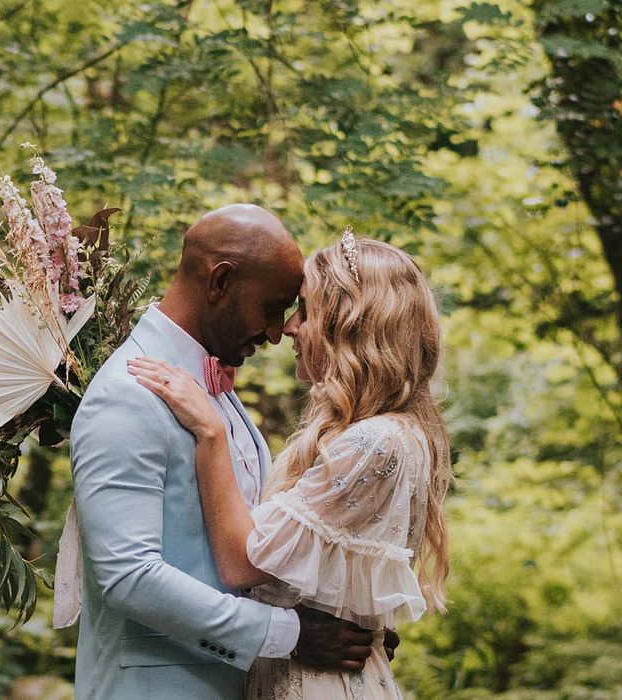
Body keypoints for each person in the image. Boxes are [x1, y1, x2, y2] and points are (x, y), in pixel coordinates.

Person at [58, 206, 386, 699]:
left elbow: (249, 547)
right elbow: (127, 576)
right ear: (220, 282)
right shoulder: (128, 394)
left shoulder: (212, 390)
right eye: (272, 307)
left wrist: (348, 627)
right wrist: (289, 636)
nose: (278, 332)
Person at [128, 230, 452, 698]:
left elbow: (243, 564)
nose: (288, 329)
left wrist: (211, 434)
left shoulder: (375, 440)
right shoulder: (379, 432)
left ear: (350, 325)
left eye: (305, 311)